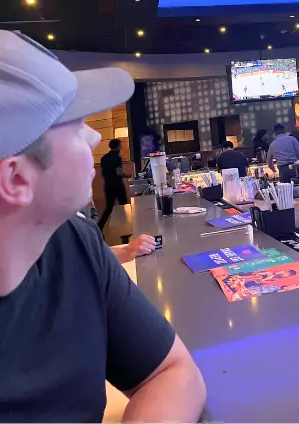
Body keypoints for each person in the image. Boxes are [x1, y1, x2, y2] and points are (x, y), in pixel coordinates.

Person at [0, 30, 206, 422]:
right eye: (76, 124)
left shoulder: (73, 242)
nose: (95, 135)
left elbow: (173, 373)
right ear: (16, 180)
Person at [99, 138, 128, 232]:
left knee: (109, 207)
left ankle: (99, 226)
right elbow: (118, 172)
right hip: (117, 185)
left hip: (108, 186)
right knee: (124, 205)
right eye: (120, 145)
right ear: (118, 146)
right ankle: (126, 226)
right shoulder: (117, 157)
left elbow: (104, 172)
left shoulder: (103, 158)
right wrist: (128, 175)